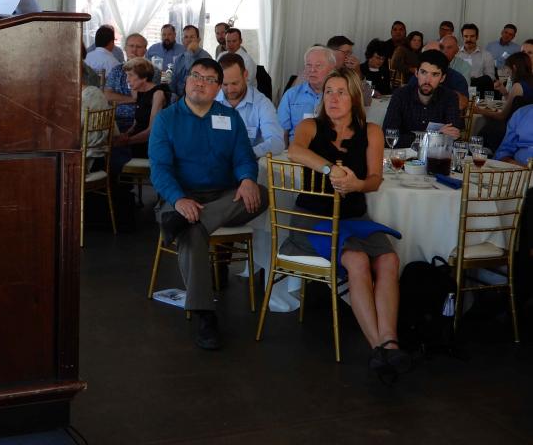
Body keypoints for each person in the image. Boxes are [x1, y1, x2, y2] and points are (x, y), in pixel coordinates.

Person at [284, 68, 409, 374]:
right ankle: (379, 348)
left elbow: (376, 180)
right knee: (356, 260)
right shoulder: (310, 127)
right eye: (329, 92)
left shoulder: (372, 131)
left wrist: (357, 185)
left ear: (354, 98)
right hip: (312, 219)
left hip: (355, 217)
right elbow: (294, 150)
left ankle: (389, 343)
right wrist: (331, 170)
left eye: (341, 92)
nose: (334, 99)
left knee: (390, 259)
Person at [149, 58, 268, 350]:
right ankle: (205, 314)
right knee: (192, 233)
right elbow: (160, 169)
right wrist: (179, 200)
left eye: (208, 79)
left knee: (262, 193)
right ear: (187, 80)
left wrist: (247, 179)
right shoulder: (167, 119)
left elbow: (243, 158)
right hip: (179, 197)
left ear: (218, 88)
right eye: (195, 76)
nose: (199, 82)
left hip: (223, 198)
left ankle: (189, 222)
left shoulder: (229, 118)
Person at [383, 50, 463, 149]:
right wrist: (434, 135)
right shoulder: (401, 95)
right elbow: (388, 137)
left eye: (435, 74)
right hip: (402, 157)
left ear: (442, 78)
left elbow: (452, 136)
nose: (427, 80)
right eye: (423, 72)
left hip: (435, 159)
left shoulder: (449, 97)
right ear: (416, 73)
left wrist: (412, 138)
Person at [216, 53, 284, 158]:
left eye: (234, 83)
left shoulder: (262, 103)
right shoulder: (211, 100)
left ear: (245, 75)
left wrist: (245, 154)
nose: (230, 90)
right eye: (225, 84)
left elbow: (277, 143)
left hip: (249, 165)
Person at [112, 57, 169, 161]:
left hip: (150, 144)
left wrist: (127, 141)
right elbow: (136, 124)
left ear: (144, 77)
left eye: (130, 75)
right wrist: (125, 135)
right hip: (136, 140)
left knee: (111, 157)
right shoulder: (139, 92)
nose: (127, 80)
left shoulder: (158, 94)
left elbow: (152, 131)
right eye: (126, 75)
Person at [278, 46, 336, 146]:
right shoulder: (291, 95)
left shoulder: (339, 96)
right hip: (296, 151)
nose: (312, 70)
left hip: (328, 152)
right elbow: (282, 132)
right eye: (308, 65)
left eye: (318, 66)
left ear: (332, 69)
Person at [103, 33, 160, 131]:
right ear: (125, 48)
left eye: (138, 47)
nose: (134, 50)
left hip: (141, 121)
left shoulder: (152, 71)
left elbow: (140, 97)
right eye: (131, 46)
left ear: (145, 51)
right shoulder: (116, 70)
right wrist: (133, 100)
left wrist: (135, 67)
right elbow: (107, 96)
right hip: (115, 121)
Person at [476, 52, 533, 150]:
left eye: (508, 70)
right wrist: (505, 92)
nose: (508, 74)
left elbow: (502, 115)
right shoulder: (529, 82)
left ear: (514, 68)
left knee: (485, 130)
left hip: (513, 127)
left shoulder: (518, 86)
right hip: (528, 126)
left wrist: (479, 111)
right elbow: (518, 103)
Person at [408, 41, 469, 111]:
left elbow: (462, 105)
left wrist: (436, 87)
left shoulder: (457, 78)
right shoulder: (417, 76)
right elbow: (408, 101)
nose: (430, 61)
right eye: (426, 56)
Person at [171, 25, 211, 97]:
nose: (189, 40)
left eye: (192, 37)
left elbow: (193, 76)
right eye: (186, 37)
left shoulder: (206, 57)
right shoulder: (179, 58)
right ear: (182, 41)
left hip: (197, 98)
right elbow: (174, 81)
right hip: (179, 99)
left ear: (198, 40)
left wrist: (190, 52)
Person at [459, 23, 496, 93]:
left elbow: (491, 77)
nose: (468, 39)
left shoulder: (486, 55)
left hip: (478, 89)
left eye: (472, 36)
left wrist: (475, 81)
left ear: (477, 37)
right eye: (466, 36)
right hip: (458, 87)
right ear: (462, 37)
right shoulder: (456, 54)